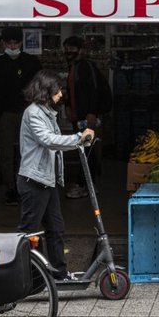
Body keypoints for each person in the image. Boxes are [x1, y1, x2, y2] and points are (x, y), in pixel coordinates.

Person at [17, 70, 95, 281]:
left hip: (47, 180)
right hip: (34, 181)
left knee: (56, 229)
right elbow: (48, 140)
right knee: (29, 231)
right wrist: (79, 138)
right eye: (58, 89)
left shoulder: (46, 111)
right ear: (46, 90)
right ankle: (21, 277)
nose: (61, 94)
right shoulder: (33, 113)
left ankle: (58, 275)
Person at [0, 28, 41, 206]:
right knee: (7, 152)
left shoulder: (31, 62)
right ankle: (11, 188)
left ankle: (28, 186)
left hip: (28, 113)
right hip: (4, 113)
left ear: (21, 43)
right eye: (9, 43)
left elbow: (40, 86)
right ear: (3, 44)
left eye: (15, 43)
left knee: (28, 151)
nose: (12, 46)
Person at [61, 35, 111, 199]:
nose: (69, 52)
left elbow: (94, 91)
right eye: (66, 49)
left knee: (85, 151)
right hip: (79, 117)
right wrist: (68, 106)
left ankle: (84, 185)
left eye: (72, 49)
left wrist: (92, 113)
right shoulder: (73, 67)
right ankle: (89, 184)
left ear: (81, 50)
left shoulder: (85, 67)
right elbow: (72, 91)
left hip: (87, 117)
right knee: (85, 149)